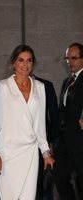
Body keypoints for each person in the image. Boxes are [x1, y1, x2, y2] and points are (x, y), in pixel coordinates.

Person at [0, 44, 55, 200]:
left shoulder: (40, 87)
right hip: (8, 153)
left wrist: (45, 152)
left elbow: (40, 126)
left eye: (29, 61)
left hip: (30, 153)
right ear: (14, 62)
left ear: (33, 63)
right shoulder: (3, 87)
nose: (25, 65)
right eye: (21, 60)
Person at [54, 42, 83, 200]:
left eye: (73, 58)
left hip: (80, 140)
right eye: (67, 58)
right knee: (59, 178)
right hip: (64, 141)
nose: (69, 62)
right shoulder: (67, 82)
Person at [32, 75, 59, 200]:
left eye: (29, 61)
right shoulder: (9, 85)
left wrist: (51, 142)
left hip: (43, 141)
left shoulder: (44, 85)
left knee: (44, 178)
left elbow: (54, 115)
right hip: (19, 143)